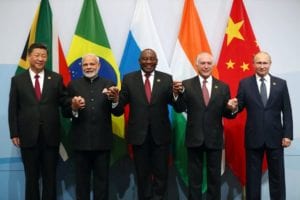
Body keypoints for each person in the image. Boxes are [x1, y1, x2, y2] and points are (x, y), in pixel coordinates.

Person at [116, 48, 181, 200]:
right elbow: (119, 108)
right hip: (139, 136)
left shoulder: (166, 79)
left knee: (161, 175)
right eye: (145, 59)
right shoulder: (129, 79)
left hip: (161, 136)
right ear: (139, 61)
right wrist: (114, 100)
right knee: (142, 175)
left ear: (156, 61)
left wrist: (177, 95)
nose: (148, 62)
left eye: (152, 59)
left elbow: (178, 106)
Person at [173, 52, 237, 200]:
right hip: (194, 138)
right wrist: (176, 95)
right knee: (194, 179)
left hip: (214, 139)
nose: (206, 66)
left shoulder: (223, 87)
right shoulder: (186, 85)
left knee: (214, 178)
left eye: (209, 63)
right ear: (196, 65)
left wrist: (231, 108)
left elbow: (227, 114)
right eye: (202, 63)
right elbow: (179, 108)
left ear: (213, 65)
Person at [8, 43, 67, 200]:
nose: (40, 59)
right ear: (29, 57)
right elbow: (13, 108)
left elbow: (65, 102)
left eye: (43, 56)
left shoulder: (56, 78)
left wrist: (74, 103)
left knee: (50, 178)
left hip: (51, 137)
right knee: (31, 178)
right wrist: (14, 132)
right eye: (37, 55)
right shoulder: (18, 80)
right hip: (28, 137)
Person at [234, 51, 293, 200]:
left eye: (265, 63)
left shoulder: (281, 83)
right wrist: (231, 106)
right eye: (259, 63)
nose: (262, 66)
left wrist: (287, 134)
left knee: (277, 176)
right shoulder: (245, 83)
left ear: (270, 64)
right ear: (253, 64)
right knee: (252, 178)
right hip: (253, 137)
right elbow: (238, 107)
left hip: (276, 138)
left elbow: (287, 111)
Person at [63, 54, 120, 200]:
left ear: (98, 66)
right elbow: (65, 112)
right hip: (80, 142)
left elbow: (117, 112)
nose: (89, 67)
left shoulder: (110, 84)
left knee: (102, 183)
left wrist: (114, 100)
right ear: (82, 67)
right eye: (85, 65)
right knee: (81, 183)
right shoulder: (73, 85)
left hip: (103, 142)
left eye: (92, 64)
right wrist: (74, 107)